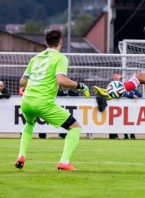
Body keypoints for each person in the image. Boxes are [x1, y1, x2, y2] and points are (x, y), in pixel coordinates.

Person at [14, 29, 90, 171]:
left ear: (45, 42)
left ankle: (21, 155)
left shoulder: (35, 58)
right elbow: (61, 81)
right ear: (61, 41)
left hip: (26, 101)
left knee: (30, 123)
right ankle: (64, 162)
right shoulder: (60, 58)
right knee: (75, 127)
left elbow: (22, 82)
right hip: (43, 102)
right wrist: (80, 85)